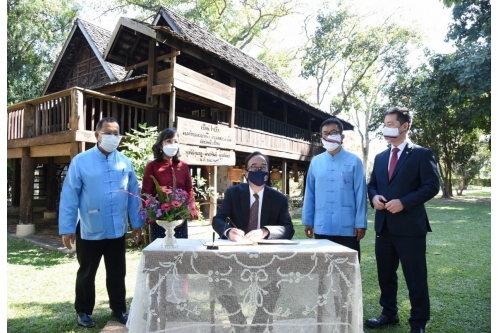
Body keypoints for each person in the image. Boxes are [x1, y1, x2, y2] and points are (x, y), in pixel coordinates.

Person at [59, 117, 144, 328]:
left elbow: (134, 194)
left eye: (116, 133)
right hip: (89, 227)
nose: (113, 137)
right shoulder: (81, 161)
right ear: (97, 135)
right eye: (108, 132)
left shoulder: (125, 162)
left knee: (117, 272)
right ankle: (84, 311)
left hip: (117, 229)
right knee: (87, 272)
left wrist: (138, 223)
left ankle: (119, 308)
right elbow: (70, 195)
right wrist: (68, 228)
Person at [365, 107, 440, 333]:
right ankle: (389, 313)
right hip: (384, 227)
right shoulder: (380, 157)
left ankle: (418, 323)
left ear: (404, 126)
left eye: (390, 123)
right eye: (385, 124)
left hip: (410, 228)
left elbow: (431, 186)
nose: (386, 127)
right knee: (385, 275)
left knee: (415, 278)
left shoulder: (421, 154)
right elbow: (373, 185)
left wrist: (404, 202)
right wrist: (374, 197)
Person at [212, 151, 295, 333]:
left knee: (274, 283)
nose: (259, 170)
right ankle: (239, 323)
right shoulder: (234, 193)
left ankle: (257, 326)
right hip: (236, 253)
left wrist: (266, 231)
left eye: (263, 167)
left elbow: (288, 229)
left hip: (266, 257)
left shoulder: (279, 198)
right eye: (254, 167)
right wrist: (228, 231)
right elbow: (218, 219)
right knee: (219, 278)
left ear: (268, 171)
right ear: (246, 172)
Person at [301, 117, 367, 262]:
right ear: (321, 137)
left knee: (348, 270)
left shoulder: (354, 161)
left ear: (342, 136)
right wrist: (308, 220)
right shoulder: (315, 162)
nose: (329, 136)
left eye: (333, 132)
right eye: (325, 133)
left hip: (348, 227)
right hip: (322, 225)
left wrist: (360, 223)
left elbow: (361, 194)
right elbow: (310, 193)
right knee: (323, 270)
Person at [141, 128, 197, 242]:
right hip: (160, 219)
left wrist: (192, 210)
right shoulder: (152, 166)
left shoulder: (184, 166)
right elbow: (146, 192)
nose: (173, 144)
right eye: (169, 141)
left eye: (175, 142)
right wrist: (150, 214)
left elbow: (189, 190)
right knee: (160, 254)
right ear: (161, 145)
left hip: (179, 219)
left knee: (180, 253)